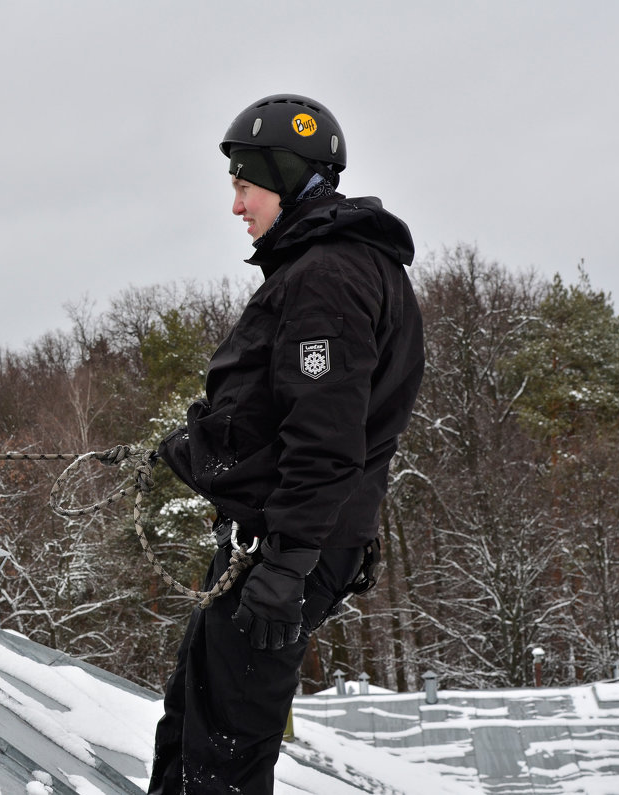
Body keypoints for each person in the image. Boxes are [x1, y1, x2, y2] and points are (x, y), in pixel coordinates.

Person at [147, 94, 425, 793]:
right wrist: (191, 448)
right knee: (193, 716)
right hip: (279, 539)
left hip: (290, 547)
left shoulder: (329, 274)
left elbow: (327, 438)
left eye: (245, 186)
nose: (236, 206)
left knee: (226, 752)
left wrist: (289, 562)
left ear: (286, 176)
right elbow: (270, 416)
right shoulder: (321, 267)